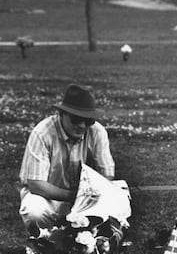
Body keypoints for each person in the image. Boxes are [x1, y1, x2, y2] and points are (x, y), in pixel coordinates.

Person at [18, 84, 115, 237]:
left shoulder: (98, 132)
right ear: (61, 114)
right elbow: (36, 185)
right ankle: (45, 241)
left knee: (118, 196)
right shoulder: (42, 133)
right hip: (50, 199)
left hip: (87, 199)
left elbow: (107, 175)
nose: (82, 125)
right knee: (33, 210)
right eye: (76, 119)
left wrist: (89, 196)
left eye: (88, 121)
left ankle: (96, 241)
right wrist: (74, 195)